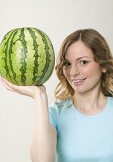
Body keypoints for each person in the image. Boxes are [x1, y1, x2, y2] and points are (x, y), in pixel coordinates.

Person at [0, 28, 113, 162]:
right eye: (67, 64)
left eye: (83, 62)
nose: (73, 72)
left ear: (104, 65)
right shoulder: (55, 113)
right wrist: (39, 96)